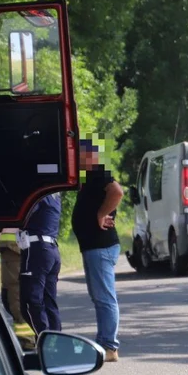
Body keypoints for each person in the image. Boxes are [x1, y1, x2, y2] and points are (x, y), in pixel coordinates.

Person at [72, 139, 124, 363]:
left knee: (104, 297)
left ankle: (109, 346)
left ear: (90, 156)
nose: (77, 159)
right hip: (94, 246)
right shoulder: (90, 177)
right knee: (99, 297)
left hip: (100, 246)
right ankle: (105, 341)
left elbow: (117, 192)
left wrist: (102, 213)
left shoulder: (99, 172)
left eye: (80, 154)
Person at [19, 192, 63, 341]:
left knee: (30, 301)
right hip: (51, 250)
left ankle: (46, 341)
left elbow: (22, 216)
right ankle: (57, 342)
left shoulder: (38, 196)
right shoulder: (55, 196)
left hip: (37, 250)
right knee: (49, 302)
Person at [0, 228, 25, 325]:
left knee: (17, 304)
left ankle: (27, 339)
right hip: (10, 248)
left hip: (15, 248)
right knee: (10, 300)